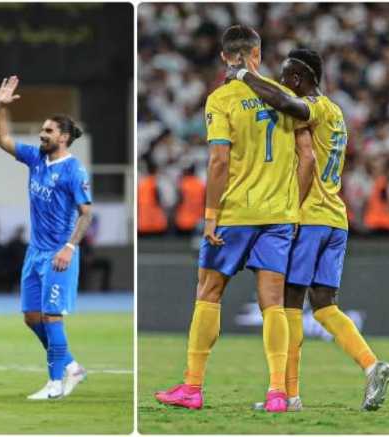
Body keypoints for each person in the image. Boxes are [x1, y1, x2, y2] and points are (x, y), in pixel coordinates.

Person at [155, 25, 315, 413]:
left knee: (208, 293)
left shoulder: (221, 99)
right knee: (273, 304)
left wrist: (210, 218)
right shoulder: (286, 98)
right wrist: (293, 207)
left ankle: (192, 387)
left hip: (234, 213)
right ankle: (278, 392)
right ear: (257, 55)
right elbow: (308, 157)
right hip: (278, 214)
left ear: (226, 57)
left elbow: (219, 160)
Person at [236, 48, 389, 411]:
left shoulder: (315, 107)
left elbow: (292, 120)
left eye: (286, 75)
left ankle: (289, 395)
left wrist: (246, 76)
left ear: (297, 78)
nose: (282, 81)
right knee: (323, 306)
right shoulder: (337, 111)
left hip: (310, 218)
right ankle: (372, 365)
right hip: (336, 219)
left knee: (290, 304)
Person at [0, 76, 92, 399]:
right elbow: (2, 139)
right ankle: (71, 365)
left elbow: (86, 213)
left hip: (57, 254)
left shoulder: (74, 170)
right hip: (34, 252)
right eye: (42, 129)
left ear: (63, 137)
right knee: (31, 317)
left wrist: (69, 247)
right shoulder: (36, 159)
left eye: (48, 131)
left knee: (51, 317)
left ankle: (54, 385)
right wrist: (1, 106)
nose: (41, 134)